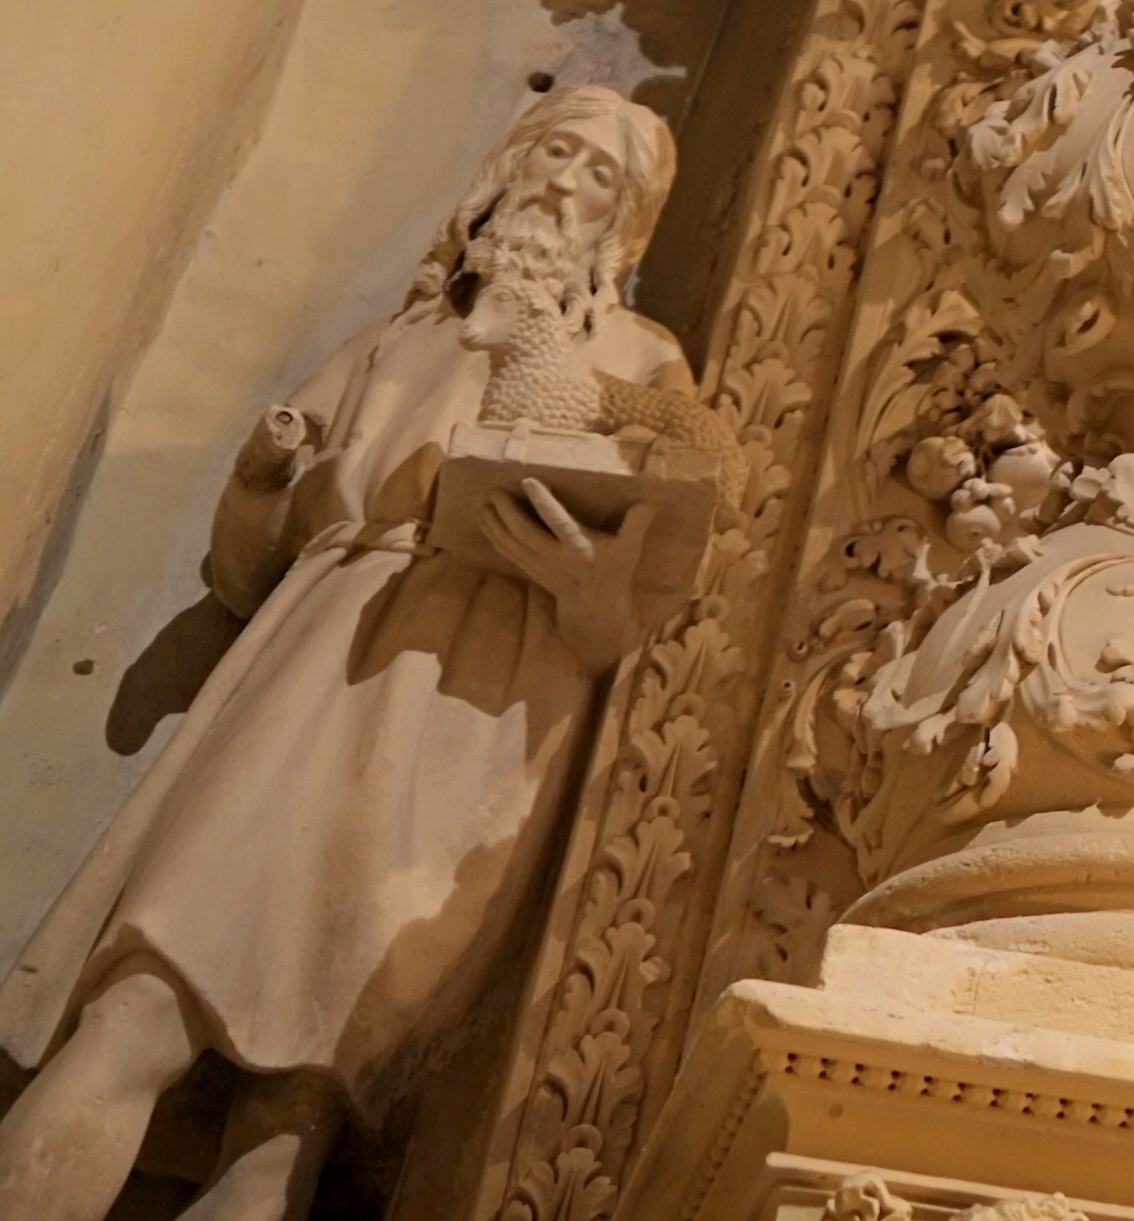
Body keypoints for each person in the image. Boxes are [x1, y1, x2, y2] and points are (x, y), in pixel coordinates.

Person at [0, 90, 713, 1221]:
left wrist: (584, 580)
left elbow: (638, 604)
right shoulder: (406, 338)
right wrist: (257, 482)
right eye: (554, 154)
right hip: (319, 662)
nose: (564, 187)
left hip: (480, 716)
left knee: (297, 1106)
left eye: (599, 179)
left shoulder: (639, 366)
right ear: (502, 173)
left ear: (623, 225)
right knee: (142, 998)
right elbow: (250, 575)